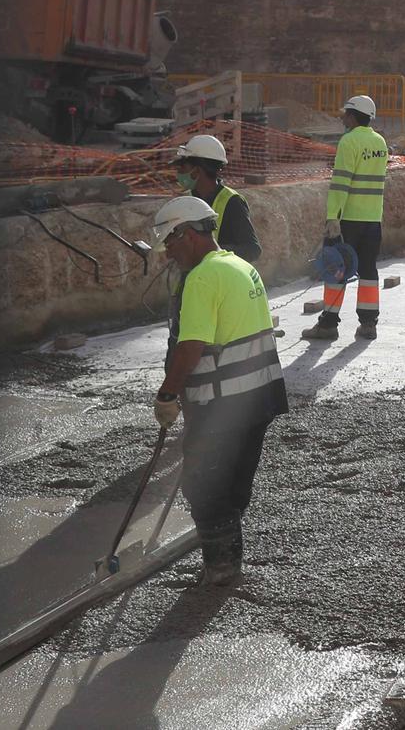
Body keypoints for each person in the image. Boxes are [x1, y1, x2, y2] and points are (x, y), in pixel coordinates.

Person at [151, 195, 288, 585]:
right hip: (258, 398)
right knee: (233, 483)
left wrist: (167, 395)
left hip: (222, 403)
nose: (168, 255)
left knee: (204, 484)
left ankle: (222, 567)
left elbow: (191, 345)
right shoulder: (241, 267)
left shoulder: (202, 278)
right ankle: (226, 558)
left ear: (189, 234)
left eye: (171, 244)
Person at [303, 94, 389, 342]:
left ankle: (328, 324)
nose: (342, 118)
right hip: (372, 219)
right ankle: (368, 324)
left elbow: (341, 183)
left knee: (335, 269)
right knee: (368, 271)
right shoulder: (380, 143)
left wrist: (332, 217)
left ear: (353, 116)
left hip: (348, 219)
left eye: (345, 114)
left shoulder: (349, 141)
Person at [172, 134, 259, 263]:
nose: (179, 173)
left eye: (183, 167)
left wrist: (212, 251)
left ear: (197, 170)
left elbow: (252, 250)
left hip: (221, 278)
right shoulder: (187, 200)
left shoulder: (232, 202)